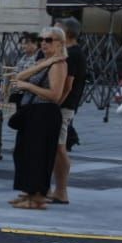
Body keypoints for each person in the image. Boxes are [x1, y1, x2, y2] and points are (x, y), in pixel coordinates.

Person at [4, 27, 68, 210]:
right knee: (25, 154)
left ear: (60, 43)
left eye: (49, 40)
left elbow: (55, 95)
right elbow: (19, 77)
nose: (44, 43)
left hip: (45, 113)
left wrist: (28, 87)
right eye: (42, 39)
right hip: (32, 112)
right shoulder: (46, 61)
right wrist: (42, 64)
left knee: (38, 156)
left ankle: (38, 198)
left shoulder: (59, 64)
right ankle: (29, 193)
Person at [48, 16, 86, 205]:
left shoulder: (73, 54)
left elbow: (68, 85)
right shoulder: (68, 52)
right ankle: (56, 189)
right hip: (62, 105)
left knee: (59, 147)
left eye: (57, 29)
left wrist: (55, 103)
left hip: (63, 106)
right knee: (56, 147)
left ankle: (61, 191)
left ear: (68, 33)